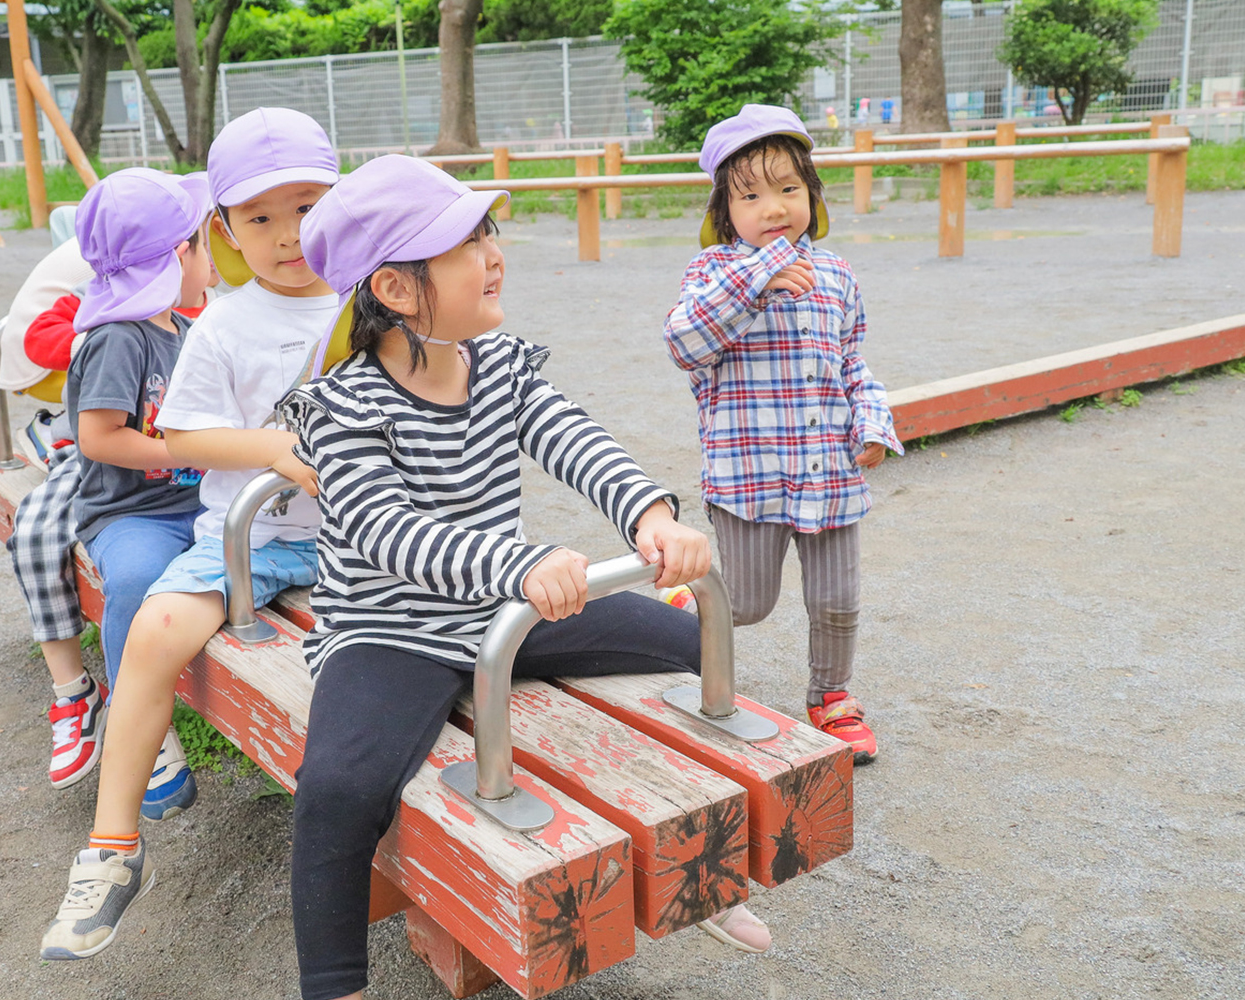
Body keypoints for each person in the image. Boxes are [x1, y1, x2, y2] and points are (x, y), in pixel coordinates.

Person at [277, 155, 767, 1000]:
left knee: (689, 641)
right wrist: (521, 562)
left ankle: (696, 868)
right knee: (339, 787)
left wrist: (650, 515)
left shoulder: (498, 363)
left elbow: (573, 438)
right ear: (394, 290)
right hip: (394, 630)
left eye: (487, 233)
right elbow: (384, 530)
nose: (493, 253)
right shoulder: (347, 406)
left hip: (503, 612)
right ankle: (332, 983)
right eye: (466, 243)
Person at [38, 107, 340, 961]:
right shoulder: (223, 325)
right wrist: (274, 450)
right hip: (254, 540)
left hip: (363, 539)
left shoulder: (374, 300)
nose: (289, 235)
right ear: (223, 229)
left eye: (309, 207)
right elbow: (182, 437)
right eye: (261, 218)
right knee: (155, 630)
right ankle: (113, 847)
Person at [661, 104, 903, 767]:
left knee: (836, 600)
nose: (773, 208)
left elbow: (853, 364)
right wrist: (756, 279)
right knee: (745, 603)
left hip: (829, 475)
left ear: (813, 196)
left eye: (789, 189)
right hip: (751, 476)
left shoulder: (836, 276)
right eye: (751, 195)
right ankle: (680, 604)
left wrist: (872, 421)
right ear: (724, 209)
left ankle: (832, 696)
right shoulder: (712, 274)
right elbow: (684, 342)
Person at [4, 216, 217, 790]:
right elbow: (98, 439)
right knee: (136, 578)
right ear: (178, 255)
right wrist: (193, 449)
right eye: (207, 248)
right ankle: (136, 725)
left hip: (197, 496)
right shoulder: (119, 336)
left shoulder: (184, 324)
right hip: (134, 510)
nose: (215, 262)